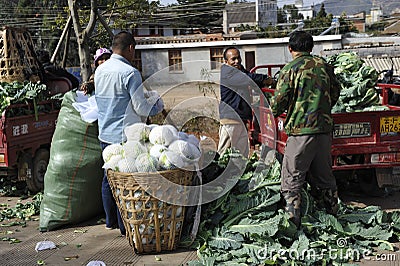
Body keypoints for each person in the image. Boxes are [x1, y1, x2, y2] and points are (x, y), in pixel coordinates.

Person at [94, 31, 164, 235]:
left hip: (105, 133)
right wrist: (157, 105)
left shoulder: (100, 70)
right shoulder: (130, 72)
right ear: (131, 48)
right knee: (127, 183)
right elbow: (141, 108)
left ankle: (110, 222)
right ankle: (126, 226)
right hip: (125, 137)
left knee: (109, 177)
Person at [270, 31, 341, 227]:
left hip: (301, 132)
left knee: (292, 178)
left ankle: (292, 224)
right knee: (325, 176)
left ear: (290, 48)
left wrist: (273, 112)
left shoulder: (290, 69)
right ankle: (334, 219)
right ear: (311, 48)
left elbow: (279, 101)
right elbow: (336, 91)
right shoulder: (325, 66)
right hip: (324, 129)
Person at [217, 46, 274, 157]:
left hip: (241, 120)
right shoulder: (228, 73)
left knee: (242, 154)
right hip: (231, 120)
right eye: (233, 59)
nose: (237, 61)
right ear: (226, 61)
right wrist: (265, 79)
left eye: (238, 58)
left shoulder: (239, 70)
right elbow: (249, 78)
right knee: (223, 153)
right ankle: (216, 173)